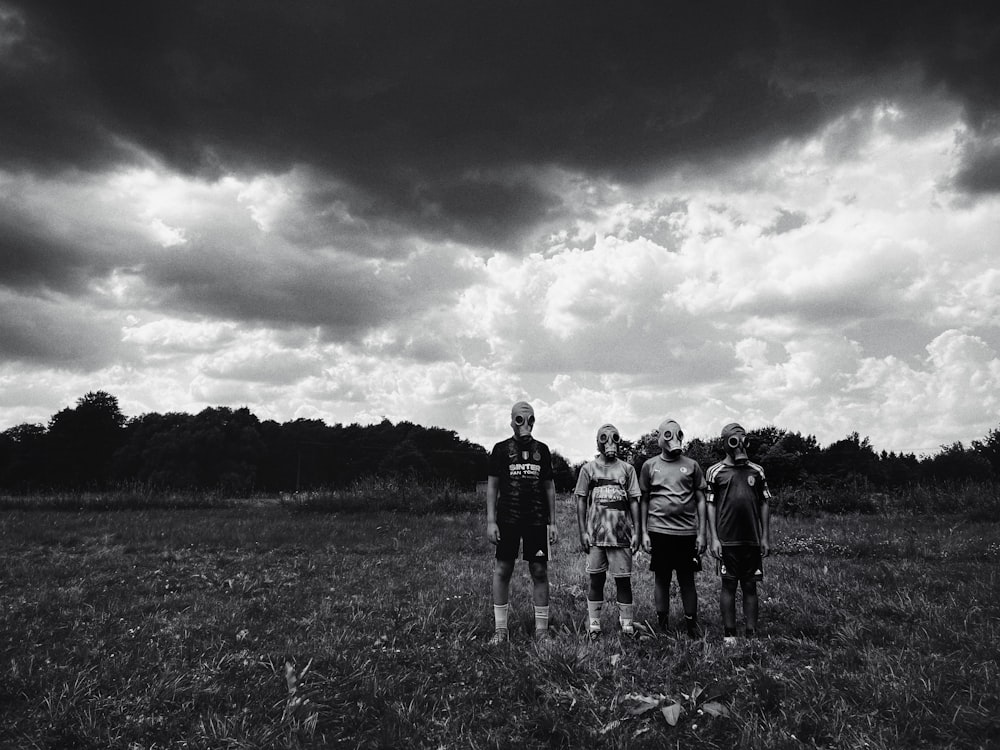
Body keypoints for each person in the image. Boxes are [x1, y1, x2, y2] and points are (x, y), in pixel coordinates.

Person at [486, 401, 558, 644]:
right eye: (520, 419)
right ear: (512, 421)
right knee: (503, 569)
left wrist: (554, 522)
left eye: (529, 419)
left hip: (536, 520)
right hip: (508, 519)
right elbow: (493, 486)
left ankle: (541, 631)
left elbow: (549, 487)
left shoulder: (543, 450)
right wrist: (490, 521)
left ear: (534, 421)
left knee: (539, 570)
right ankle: (500, 630)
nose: (525, 424)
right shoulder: (500, 449)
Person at [639, 418, 707, 638]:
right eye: (667, 435)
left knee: (687, 579)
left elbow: (700, 499)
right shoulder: (650, 466)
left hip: (686, 532)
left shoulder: (692, 465)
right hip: (659, 532)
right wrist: (643, 532)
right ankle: (662, 625)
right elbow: (644, 499)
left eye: (677, 434)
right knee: (662, 578)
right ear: (659, 438)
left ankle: (691, 626)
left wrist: (702, 533)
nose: (673, 439)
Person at [706, 422, 772, 644]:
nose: (739, 445)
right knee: (729, 584)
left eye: (742, 439)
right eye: (734, 440)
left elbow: (764, 503)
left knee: (750, 585)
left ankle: (752, 633)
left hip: (751, 540)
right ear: (725, 443)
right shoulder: (715, 472)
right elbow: (710, 505)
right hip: (727, 540)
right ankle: (729, 634)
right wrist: (714, 537)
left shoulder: (757, 471)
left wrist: (764, 536)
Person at [574, 423, 641, 639]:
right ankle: (594, 626)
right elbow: (581, 501)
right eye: (605, 438)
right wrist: (583, 531)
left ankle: (627, 626)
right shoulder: (588, 469)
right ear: (598, 442)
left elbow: (634, 501)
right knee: (596, 580)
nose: (610, 442)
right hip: (596, 536)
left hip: (621, 537)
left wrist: (637, 531)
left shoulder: (627, 469)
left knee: (623, 580)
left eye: (614, 437)